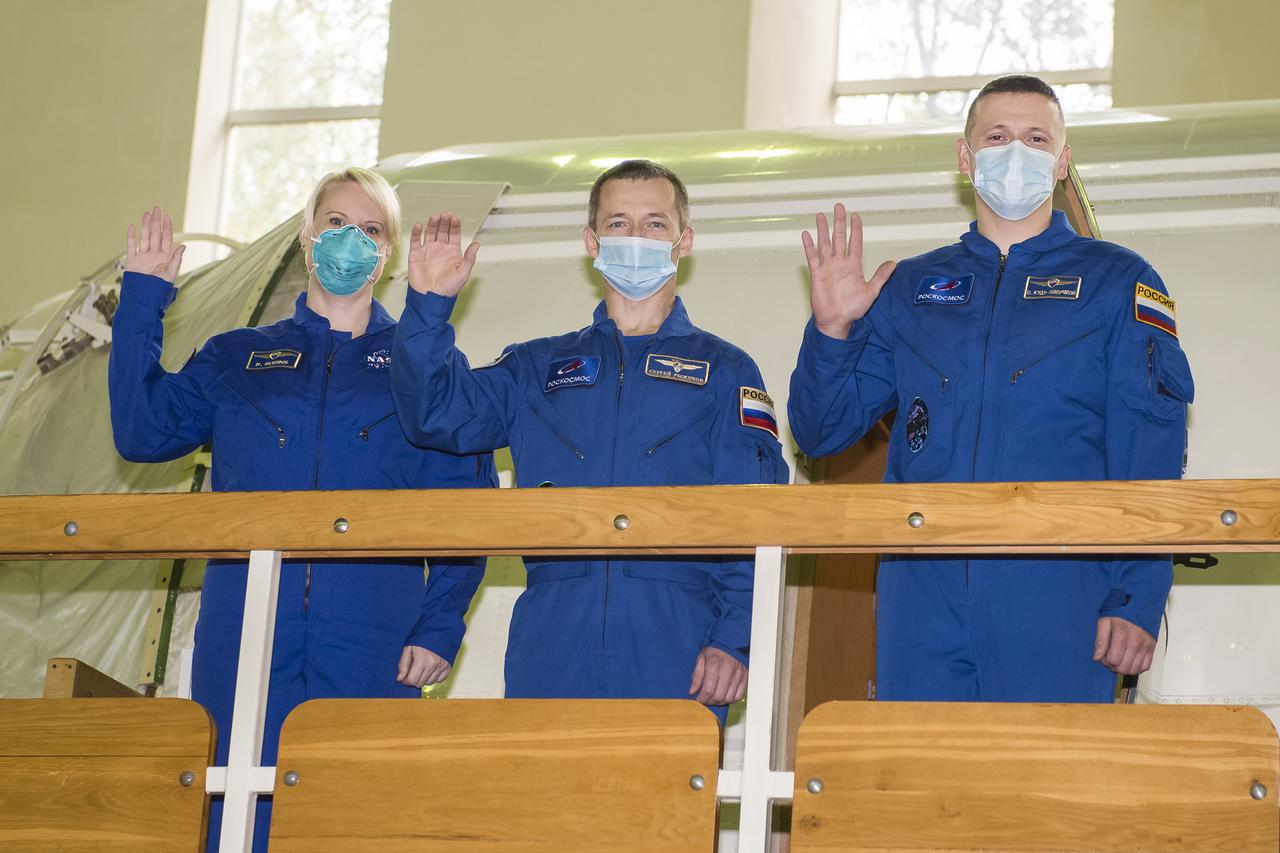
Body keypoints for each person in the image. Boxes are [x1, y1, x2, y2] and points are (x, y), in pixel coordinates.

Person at [108, 167, 495, 851]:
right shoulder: (238, 357)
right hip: (244, 631)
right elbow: (142, 433)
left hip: (375, 640)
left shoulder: (421, 366)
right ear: (306, 235)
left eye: (370, 230)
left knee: (360, 818)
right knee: (235, 814)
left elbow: (466, 505)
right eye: (337, 223)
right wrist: (143, 300)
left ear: (390, 252)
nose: (350, 240)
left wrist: (439, 627)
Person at [788, 75, 1194, 703]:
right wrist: (833, 329)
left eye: (1036, 139)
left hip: (1060, 589)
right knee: (921, 787)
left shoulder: (1118, 282)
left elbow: (1150, 450)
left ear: (1061, 162)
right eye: (997, 136)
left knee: (1041, 788)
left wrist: (1136, 597)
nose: (1015, 152)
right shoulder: (911, 287)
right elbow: (822, 429)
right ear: (964, 156)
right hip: (919, 593)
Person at [391, 159, 789, 721]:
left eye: (654, 224)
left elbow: (756, 512)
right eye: (618, 223)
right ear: (591, 240)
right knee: (547, 802)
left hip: (676, 634)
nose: (635, 238)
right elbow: (435, 415)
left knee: (662, 805)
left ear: (684, 241)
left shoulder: (724, 370)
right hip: (553, 630)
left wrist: (733, 638)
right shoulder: (536, 367)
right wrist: (428, 308)